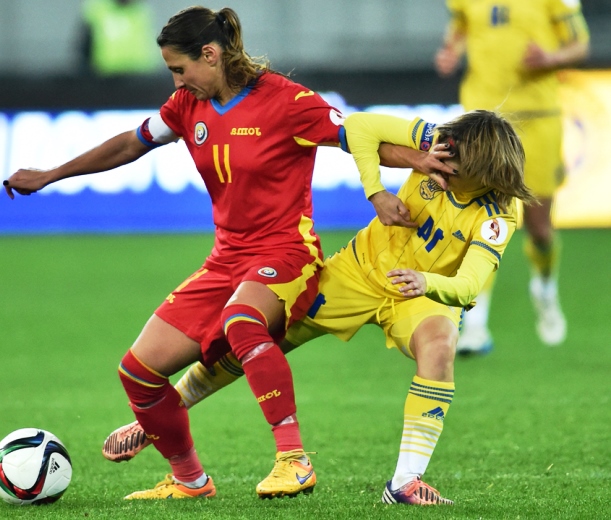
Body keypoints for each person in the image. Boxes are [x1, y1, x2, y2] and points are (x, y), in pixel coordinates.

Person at [4, 5, 454, 501]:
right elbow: (131, 145)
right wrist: (50, 175)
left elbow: (357, 138)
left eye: (180, 68)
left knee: (242, 320)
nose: (176, 80)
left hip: (287, 253)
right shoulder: (185, 105)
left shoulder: (287, 101)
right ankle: (190, 481)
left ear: (211, 55)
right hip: (225, 261)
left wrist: (417, 158)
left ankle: (293, 460)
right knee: (138, 372)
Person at [100, 109, 536, 505]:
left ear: (482, 175)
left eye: (452, 172)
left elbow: (467, 286)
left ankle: (405, 483)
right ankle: (162, 414)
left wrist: (426, 282)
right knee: (256, 337)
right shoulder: (438, 141)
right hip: (356, 273)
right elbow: (360, 127)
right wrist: (376, 191)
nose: (440, 172)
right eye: (441, 164)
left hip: (419, 293)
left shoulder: (500, 213)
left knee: (441, 345)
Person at [434, 0, 590, 354]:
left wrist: (551, 59)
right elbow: (458, 28)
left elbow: (579, 44)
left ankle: (545, 288)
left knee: (539, 227)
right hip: (482, 120)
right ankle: (475, 325)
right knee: (482, 221)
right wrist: (450, 50)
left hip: (537, 119)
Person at [79, 0, 161, 76]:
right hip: (105, 79)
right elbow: (83, 50)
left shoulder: (142, 12)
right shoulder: (96, 10)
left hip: (139, 78)